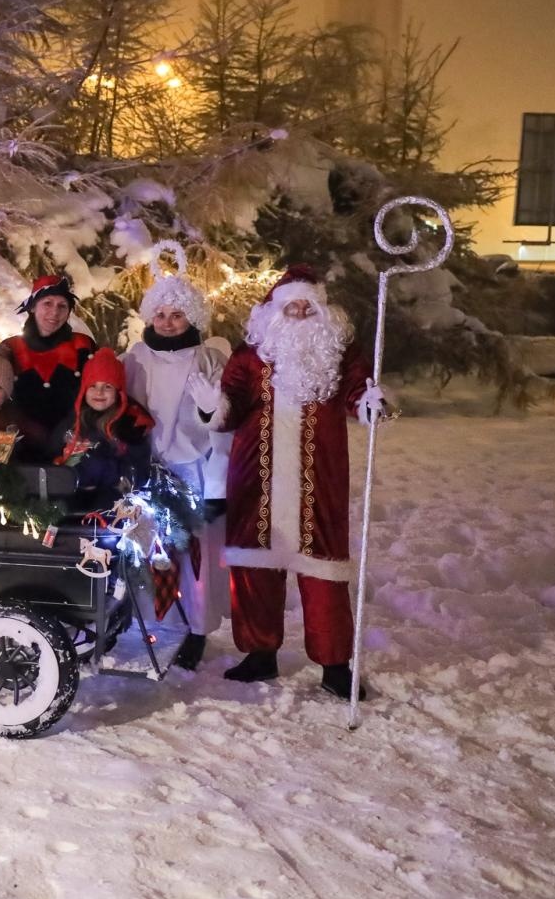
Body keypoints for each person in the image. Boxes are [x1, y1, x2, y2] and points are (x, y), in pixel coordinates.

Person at [187, 264, 387, 699]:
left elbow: (357, 391)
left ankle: (335, 664)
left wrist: (370, 403)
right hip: (256, 476)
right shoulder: (250, 355)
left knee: (324, 572)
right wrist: (212, 406)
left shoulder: (340, 353)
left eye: (307, 306)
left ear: (322, 310)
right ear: (274, 311)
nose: (298, 313)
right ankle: (260, 653)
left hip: (319, 478)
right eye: (291, 306)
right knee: (255, 570)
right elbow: (229, 409)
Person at [122, 243, 233, 671]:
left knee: (196, 555)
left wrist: (211, 411)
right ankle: (152, 618)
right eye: (161, 315)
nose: (168, 323)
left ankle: (198, 629)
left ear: (192, 318)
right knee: (148, 547)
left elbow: (223, 420)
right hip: (149, 470)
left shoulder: (209, 358)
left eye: (177, 315)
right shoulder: (136, 358)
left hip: (195, 469)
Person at [0, 275, 97, 447]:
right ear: (33, 307)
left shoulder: (83, 345)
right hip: (18, 448)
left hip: (72, 446)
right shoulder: (10, 347)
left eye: (62, 306)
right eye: (47, 303)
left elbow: (101, 391)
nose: (55, 312)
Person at [51, 347, 154, 503]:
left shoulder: (130, 426)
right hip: (69, 498)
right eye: (93, 386)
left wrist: (106, 471)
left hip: (110, 502)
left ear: (118, 391)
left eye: (107, 386)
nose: (99, 392)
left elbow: (139, 469)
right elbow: (52, 450)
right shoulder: (73, 420)